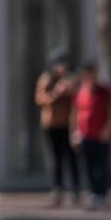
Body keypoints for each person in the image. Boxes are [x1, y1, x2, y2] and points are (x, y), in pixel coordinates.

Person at [71, 62, 111, 211]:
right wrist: (75, 132)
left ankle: (102, 194)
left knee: (101, 165)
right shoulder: (80, 91)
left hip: (100, 135)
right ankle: (92, 193)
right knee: (88, 166)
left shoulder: (104, 92)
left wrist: (108, 130)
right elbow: (75, 113)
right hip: (85, 134)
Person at [34, 52, 79, 206]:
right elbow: (40, 99)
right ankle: (57, 190)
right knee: (56, 159)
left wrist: (69, 89)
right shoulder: (47, 79)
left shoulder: (71, 80)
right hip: (51, 124)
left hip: (68, 124)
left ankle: (75, 190)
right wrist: (56, 92)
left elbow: (78, 98)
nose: (61, 68)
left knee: (72, 158)